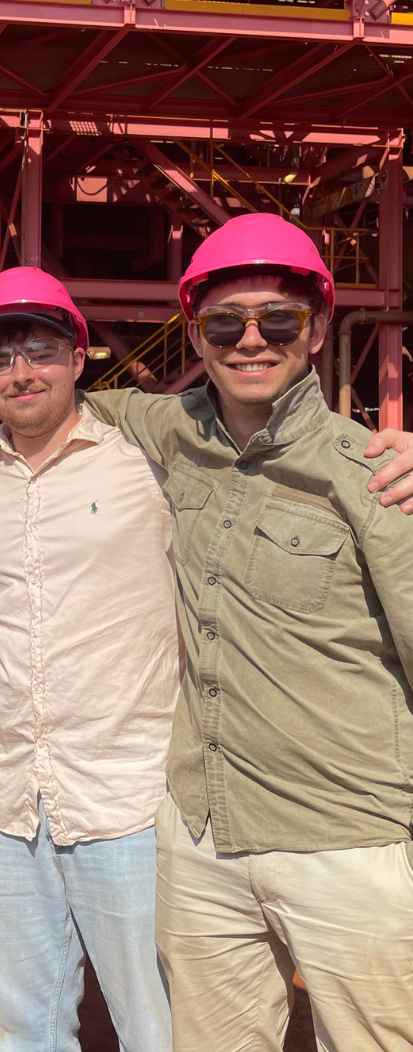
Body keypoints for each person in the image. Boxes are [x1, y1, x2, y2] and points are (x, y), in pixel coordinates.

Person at [72, 213, 413, 1049]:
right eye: (224, 323)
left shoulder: (376, 477)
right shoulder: (177, 430)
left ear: (318, 325)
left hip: (344, 837)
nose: (249, 340)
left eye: (276, 320)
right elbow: (70, 400)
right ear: (195, 331)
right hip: (201, 835)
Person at [0, 268, 176, 1052]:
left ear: (79, 358)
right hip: (7, 793)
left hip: (125, 795)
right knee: (18, 1021)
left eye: (40, 350)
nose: (21, 372)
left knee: (159, 1018)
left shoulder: (149, 467)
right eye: (0, 358)